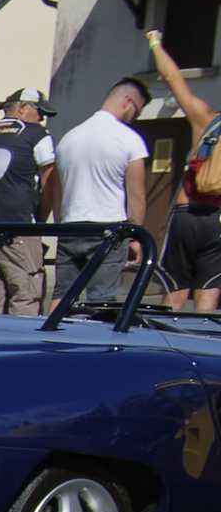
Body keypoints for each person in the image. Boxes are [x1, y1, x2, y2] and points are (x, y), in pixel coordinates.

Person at [52, 76, 151, 300]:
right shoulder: (129, 140)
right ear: (128, 102)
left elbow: (57, 191)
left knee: (62, 296)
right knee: (101, 300)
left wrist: (61, 225)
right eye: (137, 111)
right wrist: (135, 237)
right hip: (108, 231)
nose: (134, 118)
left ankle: (51, 335)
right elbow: (136, 195)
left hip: (70, 227)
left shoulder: (68, 138)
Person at [149, 26, 221, 311]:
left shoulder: (205, 118)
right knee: (209, 291)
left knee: (175, 290)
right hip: (217, 220)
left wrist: (155, 42)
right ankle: (199, 348)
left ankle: (161, 344)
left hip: (185, 213)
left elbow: (171, 77)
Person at [0, 88, 58, 316]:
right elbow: (50, 178)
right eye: (40, 112)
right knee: (26, 292)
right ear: (23, 108)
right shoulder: (36, 133)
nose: (42, 119)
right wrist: (40, 218)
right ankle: (19, 346)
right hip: (16, 225)